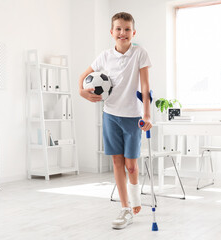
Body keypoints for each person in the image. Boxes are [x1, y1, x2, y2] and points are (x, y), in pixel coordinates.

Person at [78, 12, 152, 229]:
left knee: (131, 166)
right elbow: (82, 77)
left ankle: (135, 199)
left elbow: (146, 87)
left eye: (127, 29)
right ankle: (125, 208)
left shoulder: (140, 54)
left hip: (132, 117)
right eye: (118, 29)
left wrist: (147, 114)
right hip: (110, 115)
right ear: (112, 32)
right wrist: (82, 92)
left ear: (133, 32)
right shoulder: (104, 57)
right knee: (117, 163)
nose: (123, 33)